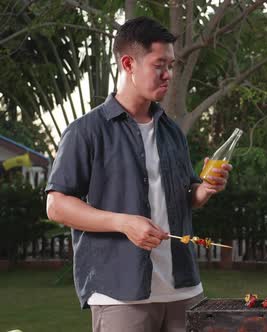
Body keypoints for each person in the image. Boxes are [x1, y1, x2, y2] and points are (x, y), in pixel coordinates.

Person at [45, 17, 232, 332]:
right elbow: (57, 205)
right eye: (160, 65)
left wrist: (205, 190)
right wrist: (123, 222)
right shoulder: (86, 131)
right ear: (128, 63)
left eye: (171, 65)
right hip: (120, 295)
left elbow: (187, 196)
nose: (168, 74)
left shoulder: (171, 131)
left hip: (184, 290)